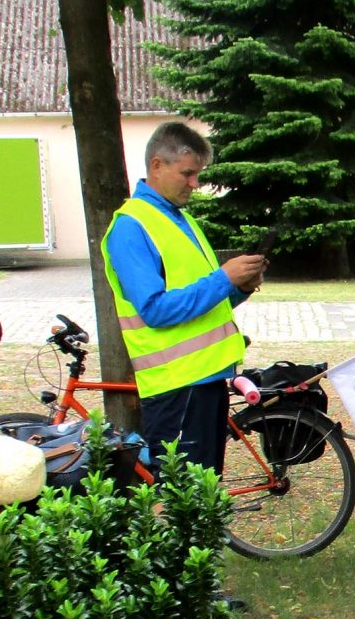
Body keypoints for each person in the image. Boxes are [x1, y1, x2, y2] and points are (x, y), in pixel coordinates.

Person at [102, 121, 266, 478]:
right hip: (176, 388)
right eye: (188, 174)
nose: (195, 184)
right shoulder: (131, 227)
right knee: (185, 500)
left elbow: (204, 302)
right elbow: (155, 311)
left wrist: (239, 287)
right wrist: (224, 278)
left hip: (204, 380)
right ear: (157, 166)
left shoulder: (180, 219)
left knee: (204, 495)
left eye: (198, 175)